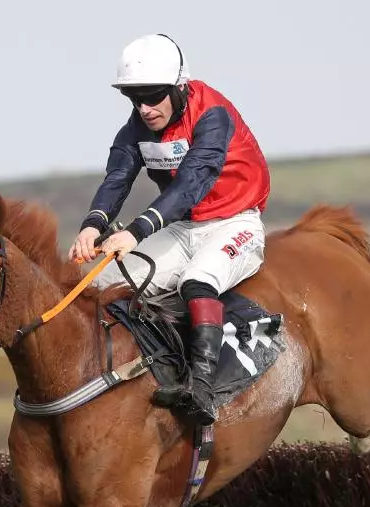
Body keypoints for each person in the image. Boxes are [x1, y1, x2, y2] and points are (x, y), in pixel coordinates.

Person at [68, 33, 272, 425]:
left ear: (180, 87)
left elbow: (191, 184)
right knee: (99, 280)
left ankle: (203, 388)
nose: (144, 109)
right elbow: (117, 177)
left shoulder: (213, 114)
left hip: (235, 221)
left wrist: (136, 231)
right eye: (134, 98)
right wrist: (93, 226)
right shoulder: (139, 124)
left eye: (153, 96)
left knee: (196, 280)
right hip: (183, 226)